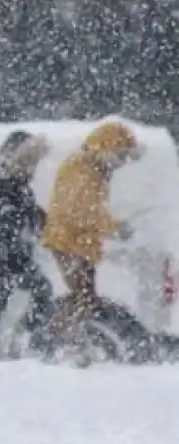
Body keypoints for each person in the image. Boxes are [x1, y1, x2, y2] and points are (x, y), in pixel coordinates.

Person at [41, 121, 140, 366]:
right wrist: (115, 228)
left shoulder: (92, 168)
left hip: (79, 244)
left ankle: (58, 341)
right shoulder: (81, 169)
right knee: (83, 298)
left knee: (83, 298)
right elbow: (81, 212)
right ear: (105, 147)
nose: (121, 163)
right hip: (70, 243)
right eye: (120, 156)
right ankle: (63, 344)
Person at [0, 131, 55, 357]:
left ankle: (19, 334)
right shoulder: (0, 181)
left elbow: (31, 214)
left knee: (40, 292)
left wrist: (47, 222)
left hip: (15, 257)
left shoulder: (19, 185)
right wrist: (28, 220)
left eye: (34, 163)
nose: (32, 168)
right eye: (28, 161)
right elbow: (4, 217)